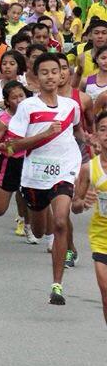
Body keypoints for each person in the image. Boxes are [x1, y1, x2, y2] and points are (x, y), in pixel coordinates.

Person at [3, 53, 85, 305]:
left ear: (63, 75)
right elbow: (12, 146)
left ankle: (57, 285)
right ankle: (37, 219)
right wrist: (44, 134)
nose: (51, 76)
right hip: (35, 175)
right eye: (45, 72)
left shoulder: (71, 106)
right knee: (40, 230)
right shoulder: (27, 107)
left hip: (65, 168)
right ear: (35, 77)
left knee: (61, 221)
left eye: (56, 71)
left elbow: (79, 133)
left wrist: (90, 150)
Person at [70, 110, 107, 323]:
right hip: (102, 238)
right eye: (103, 129)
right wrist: (82, 203)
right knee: (105, 295)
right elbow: (75, 206)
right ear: (95, 135)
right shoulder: (88, 169)